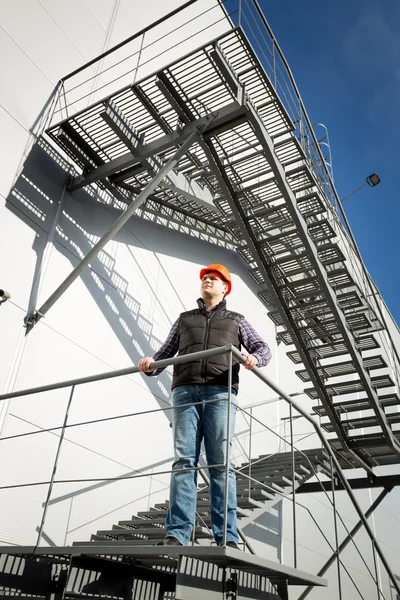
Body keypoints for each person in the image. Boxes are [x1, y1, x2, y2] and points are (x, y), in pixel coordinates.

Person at [138, 264, 271, 549]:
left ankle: (227, 537)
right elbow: (163, 355)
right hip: (185, 392)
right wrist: (149, 365)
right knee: (184, 462)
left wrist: (254, 359)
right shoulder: (185, 320)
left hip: (220, 392)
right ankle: (177, 535)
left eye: (215, 278)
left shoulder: (237, 320)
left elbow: (264, 349)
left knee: (220, 465)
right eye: (205, 278)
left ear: (225, 288)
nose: (208, 280)